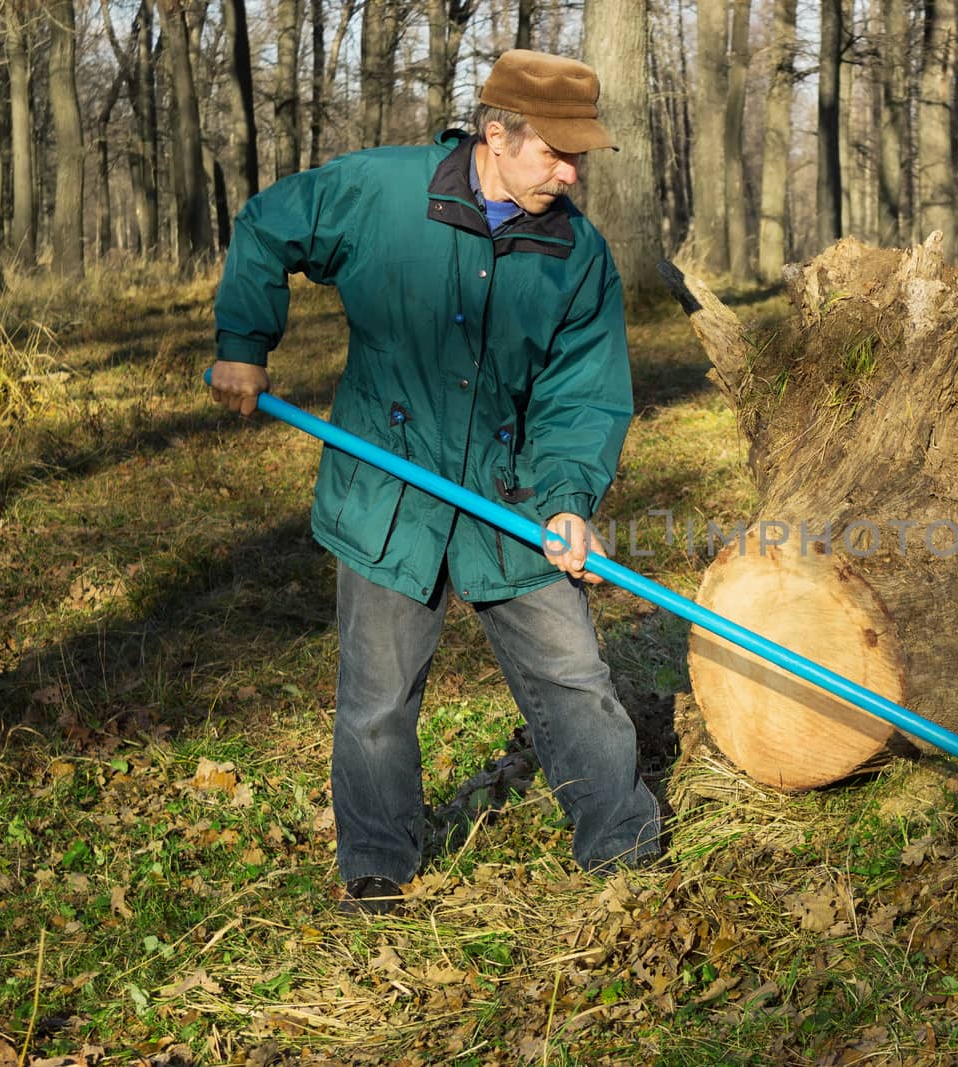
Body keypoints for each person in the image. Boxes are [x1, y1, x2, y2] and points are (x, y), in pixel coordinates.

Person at [207, 50, 662, 914]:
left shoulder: (577, 252)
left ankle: (625, 849)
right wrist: (242, 343)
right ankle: (377, 862)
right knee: (377, 698)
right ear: (496, 134)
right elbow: (269, 224)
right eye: (555, 154)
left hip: (511, 498)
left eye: (581, 157)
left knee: (575, 678)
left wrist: (567, 499)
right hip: (389, 493)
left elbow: (582, 391)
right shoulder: (383, 193)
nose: (571, 174)